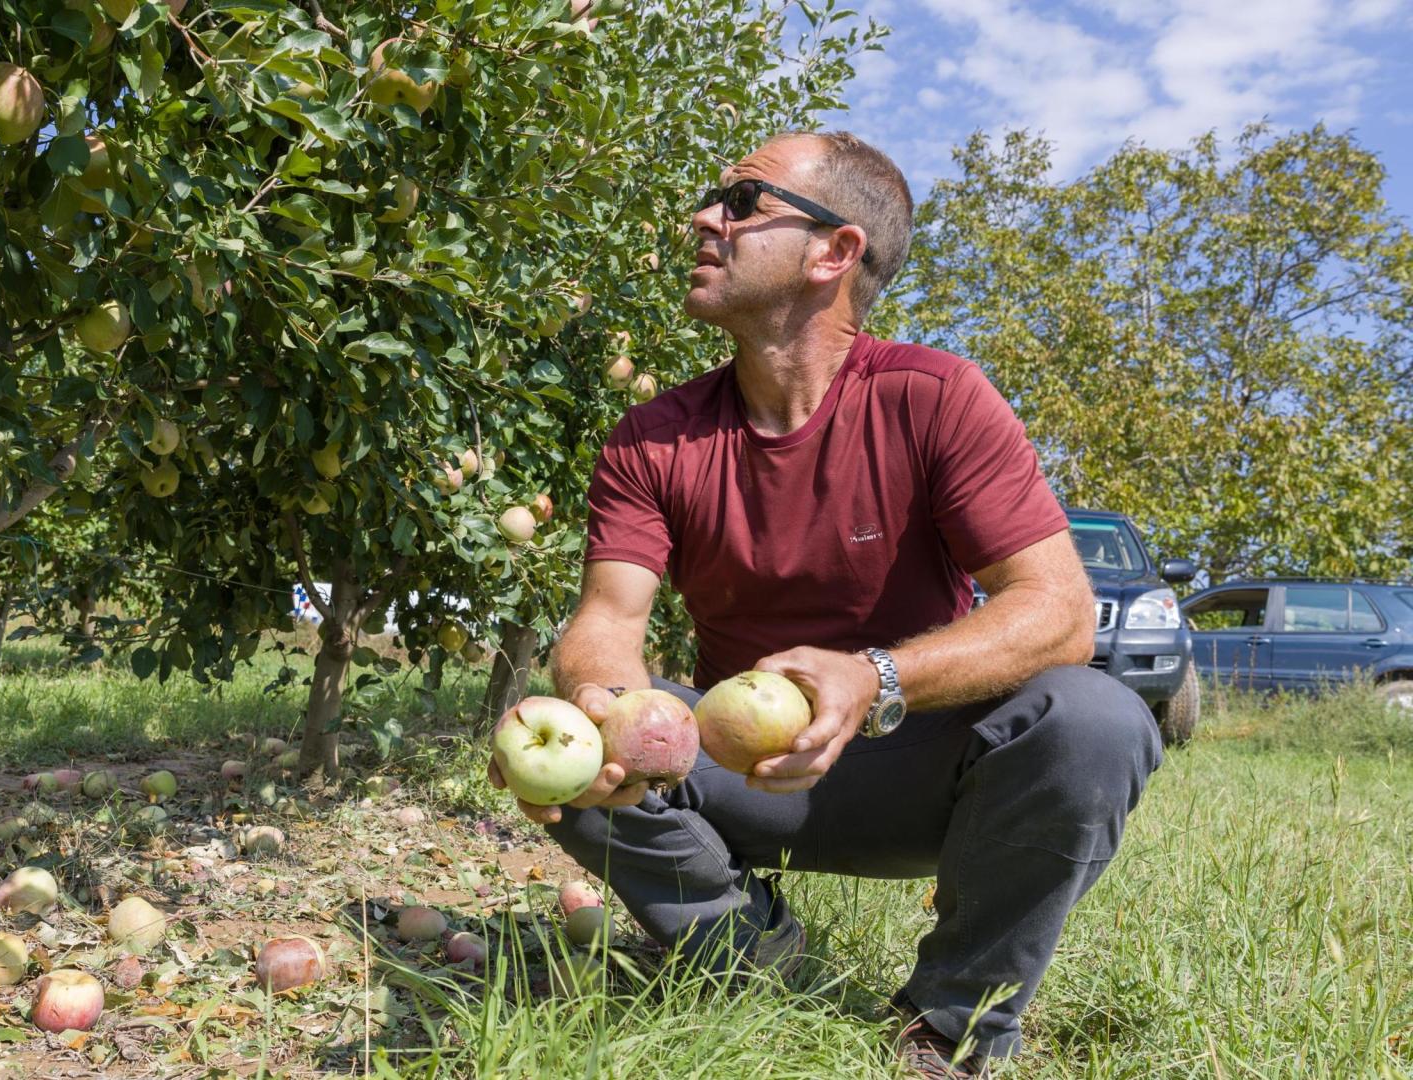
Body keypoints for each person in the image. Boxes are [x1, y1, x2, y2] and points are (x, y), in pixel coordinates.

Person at [487, 131, 1162, 1078]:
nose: (704, 219)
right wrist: (604, 706)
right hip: (743, 772)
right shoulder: (653, 439)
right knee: (563, 753)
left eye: (742, 203)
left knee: (1096, 720)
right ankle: (738, 951)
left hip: (920, 775)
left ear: (833, 253)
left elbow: (1058, 611)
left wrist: (875, 676)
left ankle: (950, 1026)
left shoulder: (935, 399)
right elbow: (607, 620)